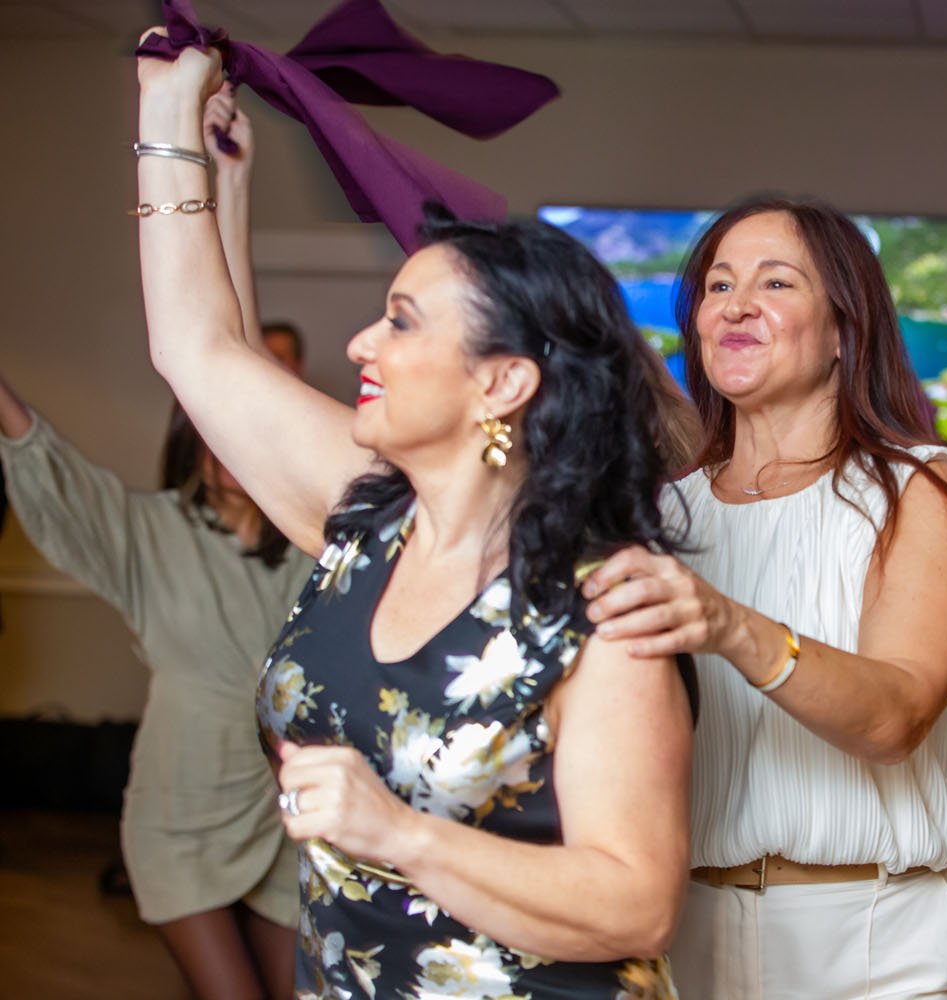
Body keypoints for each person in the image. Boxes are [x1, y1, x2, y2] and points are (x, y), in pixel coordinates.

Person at [137, 36, 694, 998]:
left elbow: (636, 904)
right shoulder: (367, 522)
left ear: (503, 382)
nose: (363, 343)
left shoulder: (603, 607)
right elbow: (197, 348)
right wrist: (166, 112)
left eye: (401, 321)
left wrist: (400, 833)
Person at [582, 196, 947, 997]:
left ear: (842, 332)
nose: (737, 305)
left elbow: (895, 717)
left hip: (874, 940)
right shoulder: (664, 514)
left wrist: (728, 623)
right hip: (686, 937)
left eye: (776, 283)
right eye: (719, 286)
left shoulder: (917, 490)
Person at [0, 86, 307, 999]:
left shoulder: (309, 539)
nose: (229, 449)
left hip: (286, 811)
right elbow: (45, 460)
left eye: (240, 428)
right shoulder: (147, 532)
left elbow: (234, 357)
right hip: (178, 815)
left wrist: (233, 182)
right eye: (210, 434)